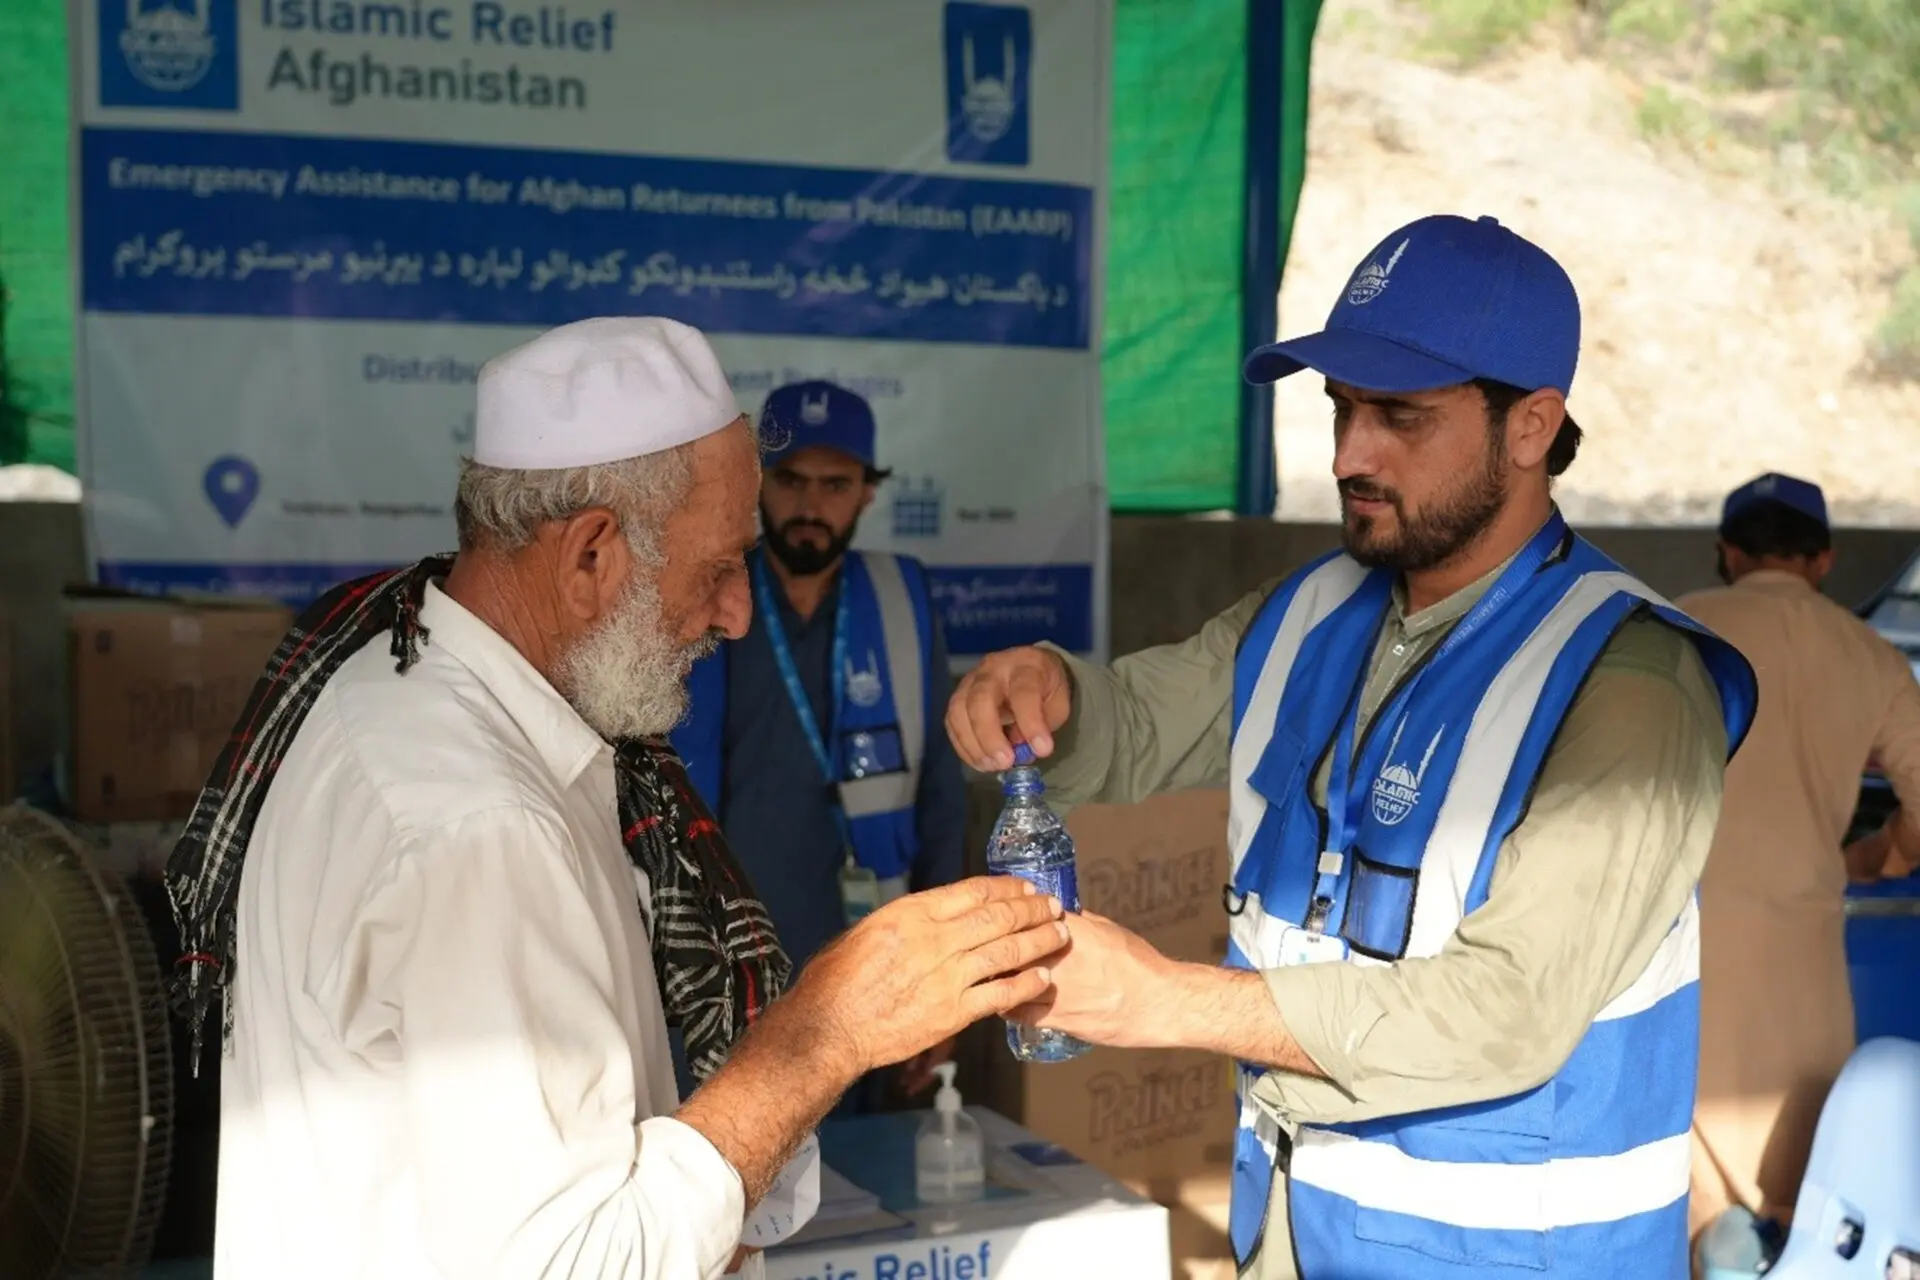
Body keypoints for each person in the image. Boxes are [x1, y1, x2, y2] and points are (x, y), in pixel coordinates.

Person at [164, 317, 1068, 1280]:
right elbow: (579, 1259)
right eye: (719, 568)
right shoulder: (480, 827)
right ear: (591, 555)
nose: (734, 613)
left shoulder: (407, 690)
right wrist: (827, 1033)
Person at [946, 215, 1760, 1279]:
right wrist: (1049, 692)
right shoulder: (1314, 611)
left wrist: (1163, 998)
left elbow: (1506, 1009)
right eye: (1339, 408)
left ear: (1531, 426)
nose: (1347, 454)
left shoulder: (1634, 682)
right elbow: (1132, 724)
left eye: (1400, 417)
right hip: (1294, 1230)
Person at [670, 380, 965, 1108]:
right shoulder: (703, 599)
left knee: (867, 1183)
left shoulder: (902, 598)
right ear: (756, 485)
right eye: (792, 481)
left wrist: (952, 981)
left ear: (868, 491)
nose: (811, 507)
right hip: (724, 967)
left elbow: (941, 801)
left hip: (869, 964)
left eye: (836, 485)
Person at [1676, 473, 1920, 1249]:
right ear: (1823, 562)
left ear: (1728, 553)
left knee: (1685, 1213)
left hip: (1676, 955)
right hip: (1803, 975)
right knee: (1807, 1212)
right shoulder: (1872, 656)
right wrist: (1876, 857)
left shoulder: (1674, 629)